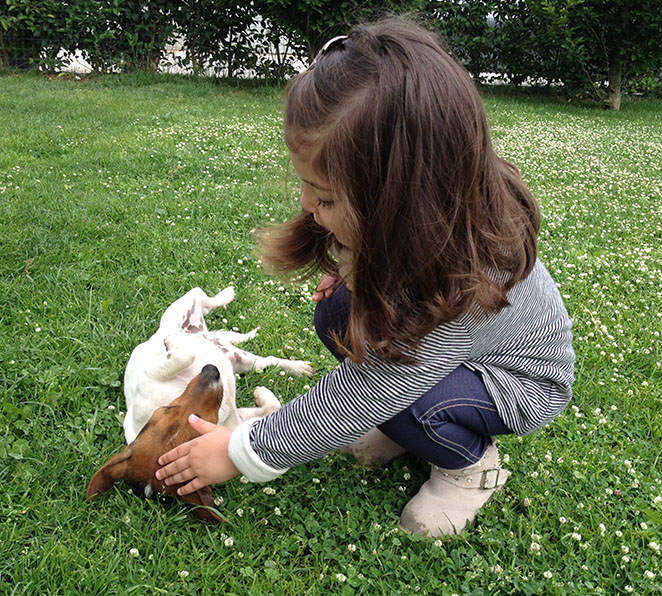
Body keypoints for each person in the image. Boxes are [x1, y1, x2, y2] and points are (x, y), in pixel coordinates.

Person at [156, 16, 575, 537]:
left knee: (408, 397)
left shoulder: (460, 278)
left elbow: (370, 389)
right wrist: (352, 272)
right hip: (447, 355)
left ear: (406, 201)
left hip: (516, 383)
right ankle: (408, 428)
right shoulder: (428, 225)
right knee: (336, 312)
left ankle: (470, 468)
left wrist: (241, 451)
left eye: (326, 197)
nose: (307, 204)